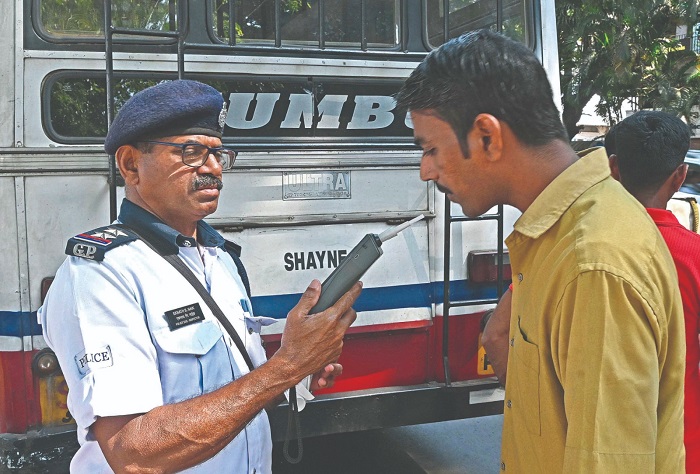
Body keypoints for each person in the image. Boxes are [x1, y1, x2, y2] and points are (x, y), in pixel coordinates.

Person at [396, 29, 685, 472]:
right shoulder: (558, 238)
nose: (425, 171)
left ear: (488, 136)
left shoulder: (594, 263)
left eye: (432, 149)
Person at [38, 79, 362, 473]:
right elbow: (134, 453)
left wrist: (296, 373)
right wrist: (287, 367)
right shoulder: (101, 274)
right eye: (191, 152)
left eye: (219, 154)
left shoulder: (220, 258)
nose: (212, 169)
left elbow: (233, 391)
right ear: (130, 164)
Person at [605, 110, 700, 473]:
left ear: (613, 168)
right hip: (682, 447)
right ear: (680, 176)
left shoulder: (572, 249)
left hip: (591, 448)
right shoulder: (694, 256)